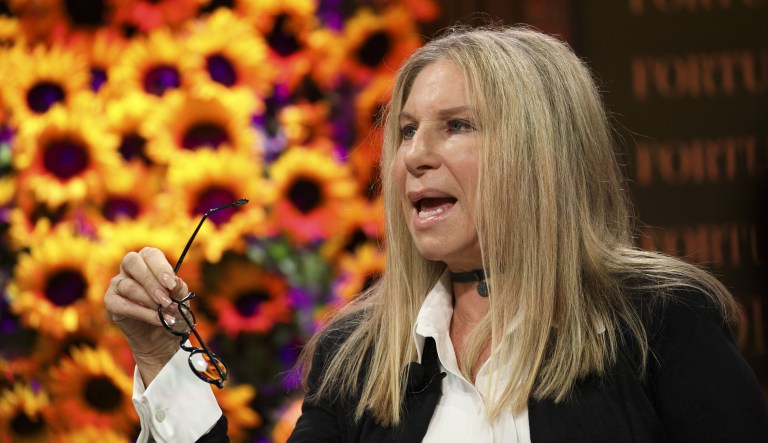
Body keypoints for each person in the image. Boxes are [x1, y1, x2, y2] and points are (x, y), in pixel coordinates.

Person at [104, 26, 768, 442]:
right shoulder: (358, 358)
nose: (415, 156)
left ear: (543, 154)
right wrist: (165, 362)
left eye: (456, 125)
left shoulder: (656, 324)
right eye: (406, 131)